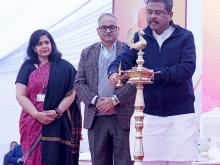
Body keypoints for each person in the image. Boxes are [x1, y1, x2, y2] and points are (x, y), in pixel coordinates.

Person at [108, 0, 199, 165]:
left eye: (158, 12)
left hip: (180, 117)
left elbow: (187, 68)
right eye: (149, 12)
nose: (152, 16)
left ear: (170, 15)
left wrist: (154, 75)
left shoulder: (185, 36)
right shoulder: (139, 37)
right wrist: (114, 72)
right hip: (148, 116)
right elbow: (123, 60)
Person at [74, 13, 136, 165]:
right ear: (98, 30)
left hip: (122, 116)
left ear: (118, 29)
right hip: (96, 117)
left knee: (124, 161)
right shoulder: (87, 52)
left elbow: (135, 81)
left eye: (112, 27)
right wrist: (96, 100)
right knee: (99, 162)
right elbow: (79, 82)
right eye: (104, 27)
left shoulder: (129, 51)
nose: (108, 30)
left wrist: (115, 100)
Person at [15, 29, 82, 165]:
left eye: (47, 42)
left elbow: (71, 93)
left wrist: (58, 111)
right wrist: (36, 114)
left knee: (55, 157)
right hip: (31, 120)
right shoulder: (27, 67)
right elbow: (20, 95)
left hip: (56, 119)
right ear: (34, 48)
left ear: (52, 44)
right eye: (40, 44)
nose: (44, 46)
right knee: (32, 158)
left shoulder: (65, 67)